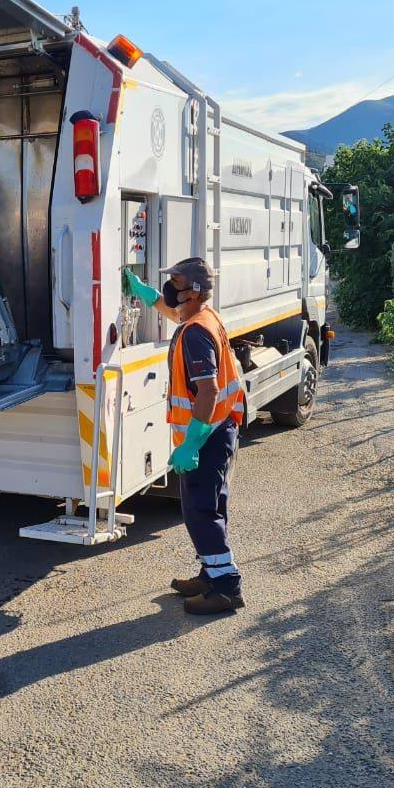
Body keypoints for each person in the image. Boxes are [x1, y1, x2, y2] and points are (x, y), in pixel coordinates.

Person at [124, 258, 246, 615]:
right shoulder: (203, 317)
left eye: (174, 283)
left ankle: (226, 587)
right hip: (220, 429)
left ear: (192, 292)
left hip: (207, 436)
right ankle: (211, 574)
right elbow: (174, 313)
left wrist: (191, 443)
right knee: (210, 506)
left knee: (200, 511)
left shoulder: (196, 333)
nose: (168, 288)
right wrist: (146, 295)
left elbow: (208, 391)